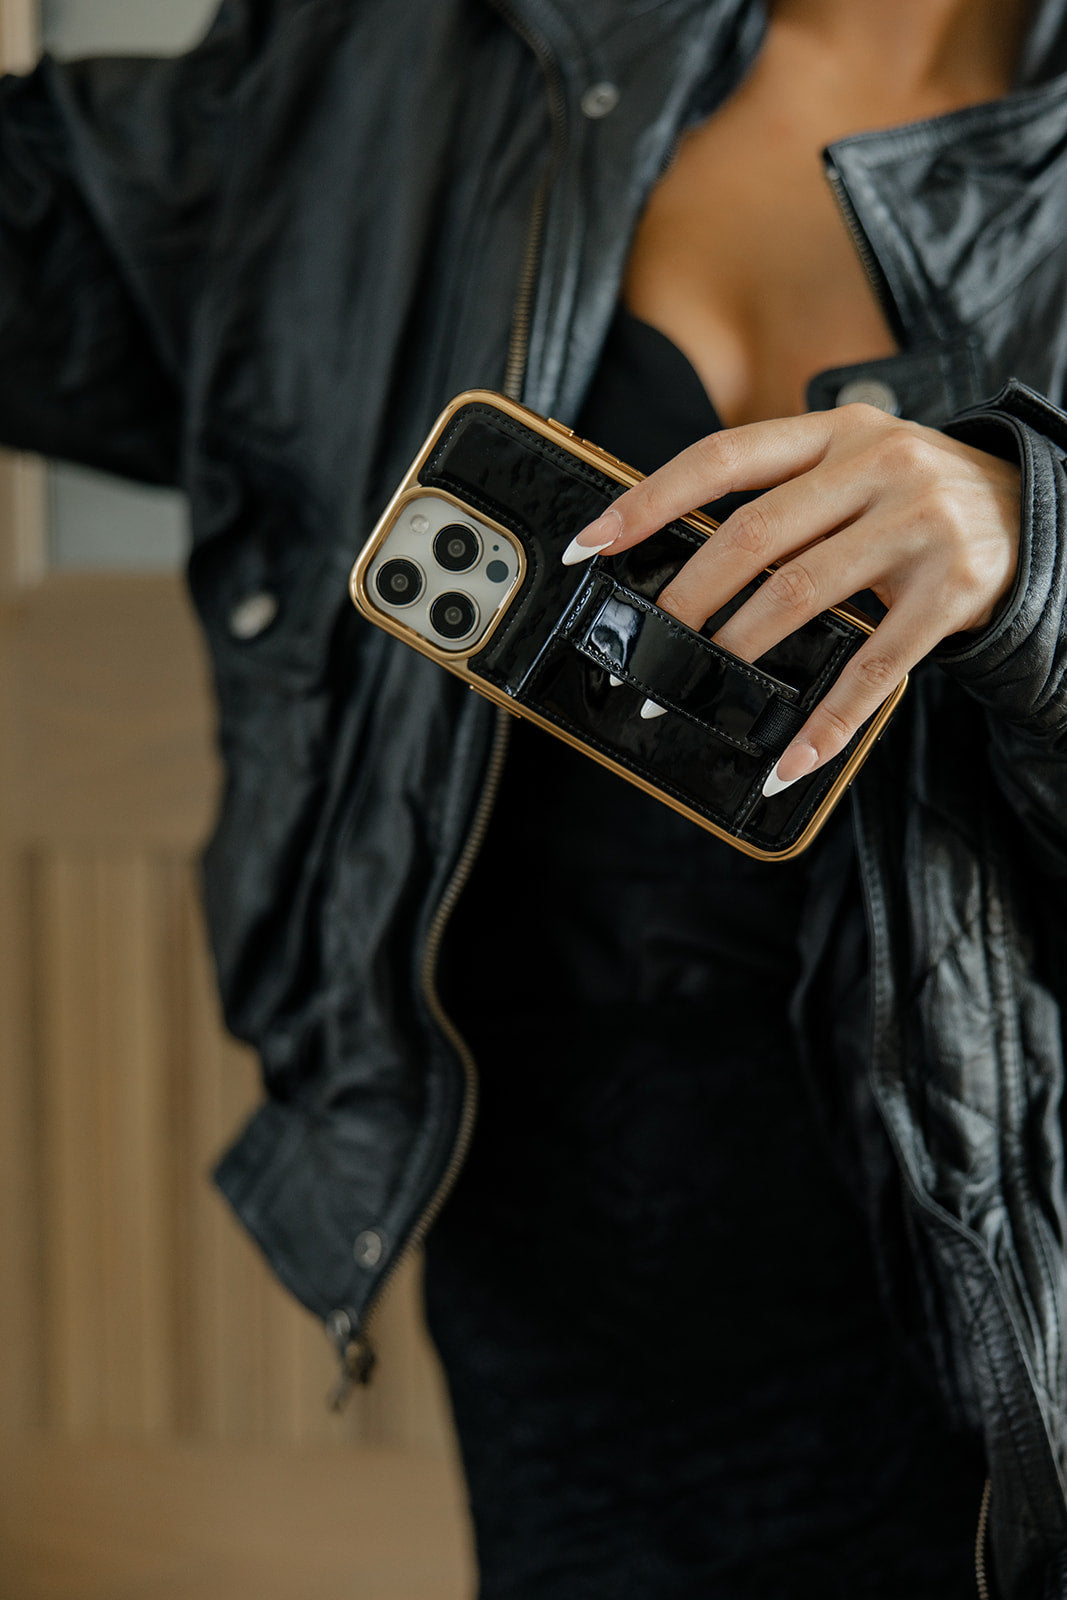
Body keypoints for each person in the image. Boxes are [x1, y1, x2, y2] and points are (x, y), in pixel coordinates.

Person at [2, 0, 1067, 1594]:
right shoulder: (429, 47)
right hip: (554, 1259)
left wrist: (1037, 546)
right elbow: (52, 259)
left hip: (1011, 1326)